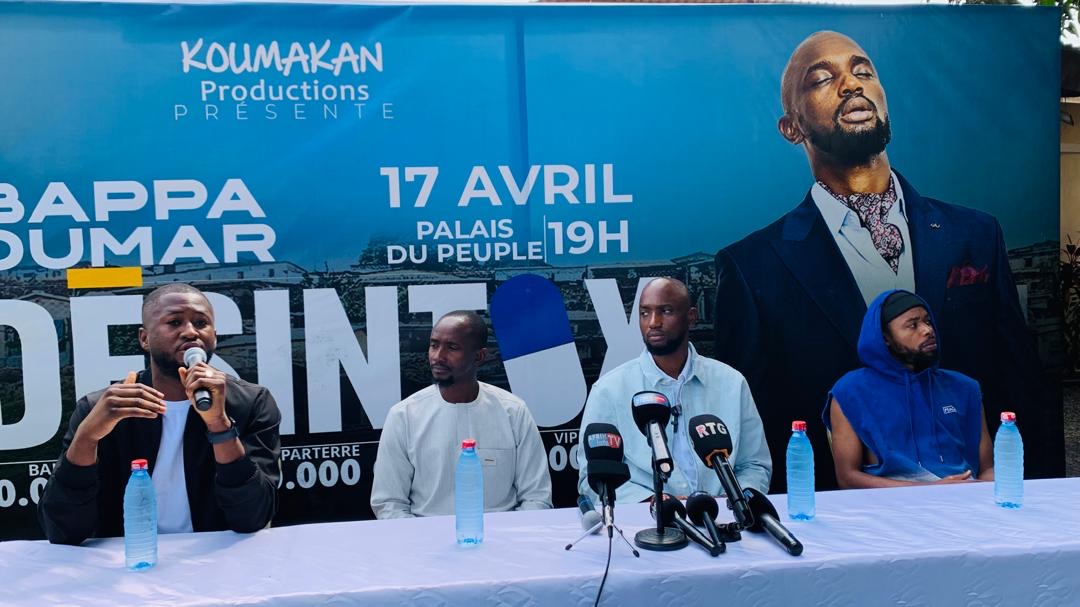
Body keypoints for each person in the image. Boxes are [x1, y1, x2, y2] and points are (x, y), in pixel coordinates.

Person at [713, 30, 1058, 492]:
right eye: (822, 79)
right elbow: (751, 423)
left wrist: (1038, 500)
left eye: (863, 71)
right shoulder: (752, 267)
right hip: (837, 515)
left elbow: (1021, 380)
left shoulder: (975, 234)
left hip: (975, 503)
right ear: (791, 128)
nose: (851, 84)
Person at [38, 283, 282, 545]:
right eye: (174, 322)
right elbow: (63, 531)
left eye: (201, 323)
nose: (190, 332)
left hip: (216, 557)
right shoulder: (102, 409)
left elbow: (252, 518)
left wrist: (219, 425)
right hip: (128, 559)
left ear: (214, 336)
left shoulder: (251, 403)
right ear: (144, 338)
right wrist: (87, 438)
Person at [577, 277, 771, 504]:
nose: (653, 322)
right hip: (645, 520)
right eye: (644, 313)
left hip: (726, 517)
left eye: (665, 311)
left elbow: (755, 466)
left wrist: (732, 500)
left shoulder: (732, 383)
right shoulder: (609, 390)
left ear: (691, 317)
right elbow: (591, 478)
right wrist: (653, 502)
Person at [370, 310, 552, 518]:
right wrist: (421, 538)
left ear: (479, 356)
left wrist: (510, 535)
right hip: (426, 535)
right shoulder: (404, 416)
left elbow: (536, 497)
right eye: (434, 345)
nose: (438, 356)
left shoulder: (513, 411)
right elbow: (389, 503)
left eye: (452, 347)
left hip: (502, 535)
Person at [824, 290, 994, 488]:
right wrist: (930, 490)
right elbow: (847, 478)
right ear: (885, 337)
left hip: (967, 497)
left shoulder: (964, 388)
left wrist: (990, 488)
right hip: (890, 502)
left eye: (928, 321)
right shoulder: (851, 391)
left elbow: (987, 468)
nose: (927, 330)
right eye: (913, 325)